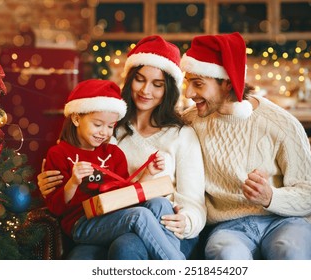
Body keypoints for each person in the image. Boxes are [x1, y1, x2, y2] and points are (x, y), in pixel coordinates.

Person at [37, 35, 206, 260]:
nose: (146, 90)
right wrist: (49, 181)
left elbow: (194, 201)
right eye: (140, 79)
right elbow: (70, 157)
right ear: (129, 79)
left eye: (157, 85)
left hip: (165, 225)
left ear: (169, 90)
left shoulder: (181, 135)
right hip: (112, 220)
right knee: (103, 251)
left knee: (147, 217)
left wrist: (187, 220)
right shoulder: (107, 127)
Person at [179, 32, 311, 260]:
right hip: (228, 228)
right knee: (226, 256)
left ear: (227, 83)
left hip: (284, 221)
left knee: (290, 252)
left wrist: (270, 197)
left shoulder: (282, 125)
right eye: (188, 83)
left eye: (198, 84)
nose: (188, 94)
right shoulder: (191, 121)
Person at [42, 78, 185, 260]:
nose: (104, 132)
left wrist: (148, 173)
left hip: (114, 217)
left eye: (110, 126)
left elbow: (126, 198)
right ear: (77, 118)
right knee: (139, 216)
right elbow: (56, 208)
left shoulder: (114, 153)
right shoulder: (59, 153)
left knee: (161, 204)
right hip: (82, 224)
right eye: (98, 124)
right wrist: (73, 182)